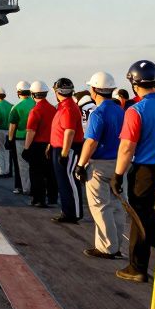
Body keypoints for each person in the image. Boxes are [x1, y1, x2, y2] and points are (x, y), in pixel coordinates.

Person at [113, 59, 155, 284]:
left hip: (144, 172)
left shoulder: (136, 110)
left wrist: (118, 175)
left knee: (140, 219)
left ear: (134, 84)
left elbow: (127, 147)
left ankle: (137, 267)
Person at [74, 71, 124, 259]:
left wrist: (80, 164)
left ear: (94, 90)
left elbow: (91, 142)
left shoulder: (98, 113)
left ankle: (106, 248)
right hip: (118, 164)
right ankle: (116, 244)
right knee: (116, 205)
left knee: (100, 206)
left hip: (99, 165)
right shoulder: (120, 111)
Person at [50, 77, 85, 223]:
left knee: (70, 180)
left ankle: (74, 213)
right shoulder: (64, 106)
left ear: (57, 91)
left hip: (68, 149)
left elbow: (69, 131)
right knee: (63, 181)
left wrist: (64, 153)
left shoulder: (68, 108)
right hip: (60, 147)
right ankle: (67, 211)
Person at [25, 81, 57, 208]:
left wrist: (26, 148)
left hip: (38, 145)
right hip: (51, 144)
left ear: (33, 95)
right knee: (49, 173)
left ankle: (38, 199)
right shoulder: (53, 109)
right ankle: (52, 198)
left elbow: (31, 131)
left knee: (36, 173)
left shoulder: (35, 110)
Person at [8, 81, 35, 196]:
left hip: (20, 138)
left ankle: (25, 188)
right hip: (34, 138)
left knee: (22, 164)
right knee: (33, 164)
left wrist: (9, 140)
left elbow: (13, 126)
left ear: (18, 92)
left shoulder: (16, 107)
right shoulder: (35, 104)